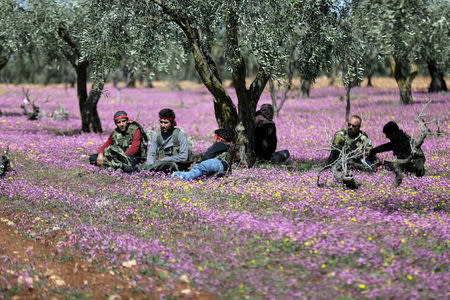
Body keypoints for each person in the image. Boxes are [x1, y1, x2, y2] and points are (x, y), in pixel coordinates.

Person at [129, 108, 190, 173]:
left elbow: (183, 157)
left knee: (164, 163)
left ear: (172, 124)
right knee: (158, 164)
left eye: (166, 123)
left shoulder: (180, 135)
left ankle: (136, 169)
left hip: (176, 166)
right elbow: (151, 154)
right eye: (161, 122)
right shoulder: (157, 135)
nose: (162, 125)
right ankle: (141, 169)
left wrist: (166, 159)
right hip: (160, 166)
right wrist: (150, 164)